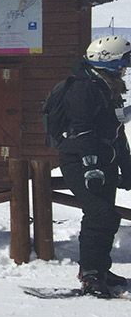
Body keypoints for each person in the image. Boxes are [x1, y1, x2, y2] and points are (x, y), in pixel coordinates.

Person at [51, 36, 131, 297]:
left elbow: (116, 132)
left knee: (106, 216)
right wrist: (90, 167)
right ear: (109, 60)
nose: (125, 67)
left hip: (102, 161)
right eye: (123, 61)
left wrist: (127, 168)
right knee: (100, 214)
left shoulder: (107, 86)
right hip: (79, 160)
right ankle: (90, 274)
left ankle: (100, 268)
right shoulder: (84, 88)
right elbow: (82, 129)